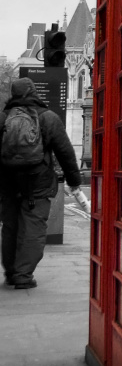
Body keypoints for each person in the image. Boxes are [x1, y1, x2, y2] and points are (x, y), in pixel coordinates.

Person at [1, 78, 85, 289]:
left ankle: (11, 271)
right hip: (38, 181)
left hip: (8, 181)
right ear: (33, 92)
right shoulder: (48, 118)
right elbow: (65, 152)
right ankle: (23, 274)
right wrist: (75, 181)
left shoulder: (3, 118)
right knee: (33, 227)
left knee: (10, 227)